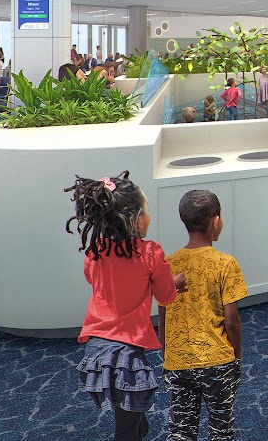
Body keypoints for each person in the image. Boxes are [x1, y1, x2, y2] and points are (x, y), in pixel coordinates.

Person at [66, 172, 183, 441]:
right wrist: (175, 282)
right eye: (147, 210)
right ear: (136, 220)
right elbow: (166, 296)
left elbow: (93, 280)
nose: (149, 216)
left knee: (137, 424)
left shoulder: (95, 250)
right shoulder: (150, 252)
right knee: (127, 431)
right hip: (125, 351)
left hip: (97, 346)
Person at [161, 190, 245, 441]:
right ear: (216, 222)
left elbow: (163, 316)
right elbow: (232, 320)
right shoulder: (226, 264)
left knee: (180, 431)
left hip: (177, 361)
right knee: (221, 431)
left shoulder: (167, 264)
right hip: (218, 361)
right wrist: (237, 354)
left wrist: (167, 353)